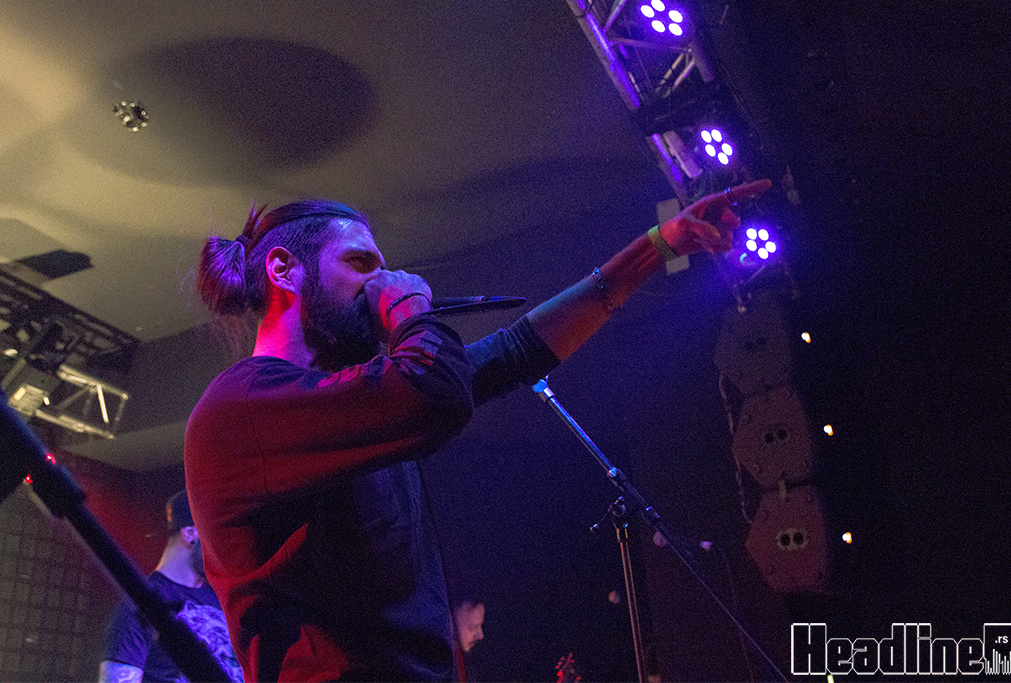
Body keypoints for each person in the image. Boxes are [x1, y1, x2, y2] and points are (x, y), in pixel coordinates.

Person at [184, 180, 770, 682]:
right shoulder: (241, 408)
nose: (385, 279)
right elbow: (433, 392)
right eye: (362, 264)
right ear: (283, 270)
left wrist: (659, 244)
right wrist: (411, 311)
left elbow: (514, 352)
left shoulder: (356, 401)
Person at [98, 490, 244, 682]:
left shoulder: (223, 602)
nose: (223, 549)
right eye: (216, 538)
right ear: (190, 534)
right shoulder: (138, 606)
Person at [451, 598, 485, 682]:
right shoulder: (434, 667)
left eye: (480, 626)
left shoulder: (467, 662)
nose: (480, 636)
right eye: (472, 627)